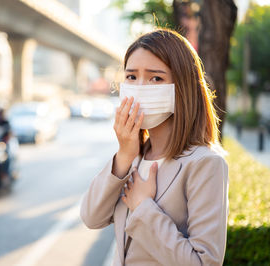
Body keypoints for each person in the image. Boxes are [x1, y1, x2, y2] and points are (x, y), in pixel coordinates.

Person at [80, 28, 228, 266]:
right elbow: (91, 217)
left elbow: (205, 263)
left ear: (182, 87)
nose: (139, 87)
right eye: (131, 77)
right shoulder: (134, 157)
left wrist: (142, 208)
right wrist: (125, 154)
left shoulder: (205, 163)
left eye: (155, 78)